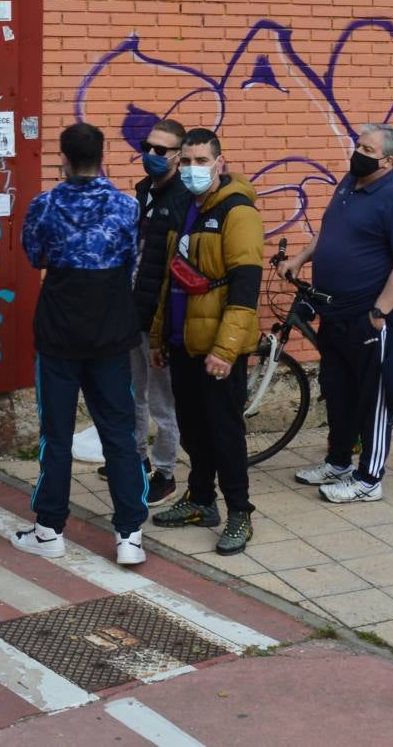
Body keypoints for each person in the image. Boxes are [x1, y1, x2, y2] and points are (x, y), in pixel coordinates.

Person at [14, 125, 146, 560]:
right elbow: (133, 262)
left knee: (56, 434)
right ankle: (129, 535)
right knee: (119, 434)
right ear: (103, 155)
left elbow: (35, 256)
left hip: (59, 335)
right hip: (111, 335)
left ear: (63, 159)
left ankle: (49, 529)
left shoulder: (45, 206)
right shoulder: (128, 207)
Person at [280, 124, 393, 503]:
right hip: (335, 309)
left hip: (369, 314)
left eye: (368, 148)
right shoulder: (349, 183)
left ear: (388, 160)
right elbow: (328, 230)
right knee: (338, 390)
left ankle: (369, 479)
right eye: (358, 144)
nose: (357, 151)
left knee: (372, 396)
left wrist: (380, 312)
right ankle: (338, 462)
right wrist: (300, 258)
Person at [148, 128, 263, 556]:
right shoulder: (186, 208)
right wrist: (162, 336)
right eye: (188, 162)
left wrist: (225, 349)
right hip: (182, 341)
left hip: (218, 347)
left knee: (224, 432)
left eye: (202, 161)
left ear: (220, 162)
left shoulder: (238, 213)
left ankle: (239, 513)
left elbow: (245, 286)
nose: (193, 169)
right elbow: (171, 279)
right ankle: (200, 500)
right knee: (193, 431)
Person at [124, 117, 188, 505]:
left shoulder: (182, 201)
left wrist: (167, 323)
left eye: (160, 151)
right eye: (147, 147)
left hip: (160, 317)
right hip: (133, 310)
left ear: (178, 157)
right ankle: (135, 459)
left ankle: (165, 472)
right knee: (133, 391)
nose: (150, 155)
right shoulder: (143, 189)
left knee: (164, 402)